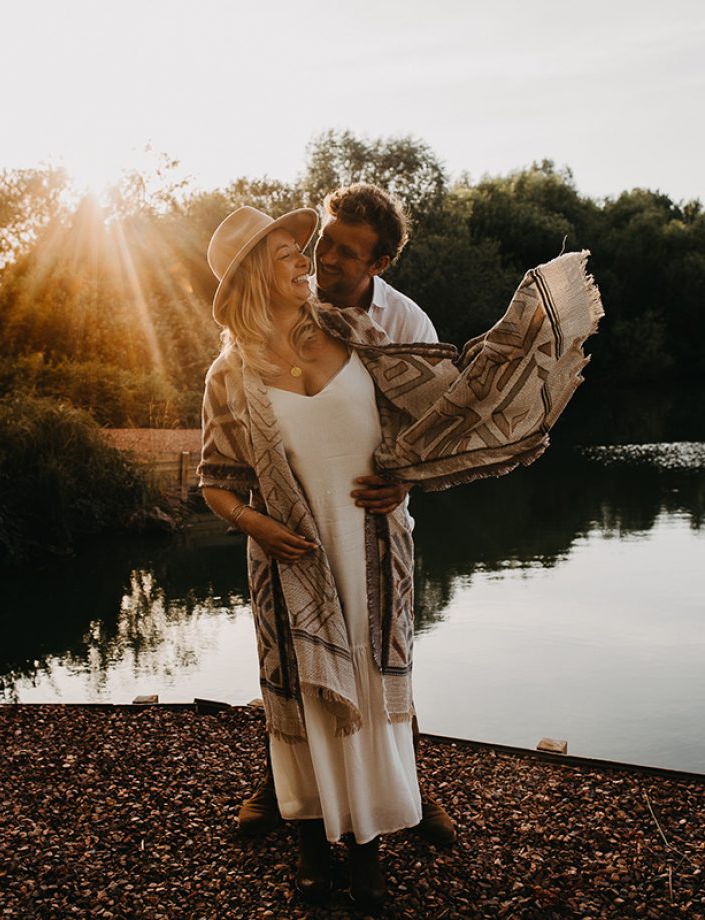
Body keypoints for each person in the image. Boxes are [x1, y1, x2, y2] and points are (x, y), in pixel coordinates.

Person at [198, 204, 602, 907]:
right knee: (299, 700)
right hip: (291, 564)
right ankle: (306, 840)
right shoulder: (228, 377)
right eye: (289, 252)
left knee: (381, 697)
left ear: (378, 262)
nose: (309, 259)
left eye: (311, 249)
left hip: (373, 547)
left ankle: (372, 844)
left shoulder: (367, 333)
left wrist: (530, 333)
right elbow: (215, 480)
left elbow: (451, 412)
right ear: (252, 277)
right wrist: (259, 527)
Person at [237, 183, 457, 850]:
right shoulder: (278, 307)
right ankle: (280, 789)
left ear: (378, 265)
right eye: (323, 243)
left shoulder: (407, 327)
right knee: (290, 649)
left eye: (345, 253)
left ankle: (408, 792)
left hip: (371, 520)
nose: (324, 259)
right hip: (293, 518)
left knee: (384, 660)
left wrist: (403, 478)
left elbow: (438, 428)